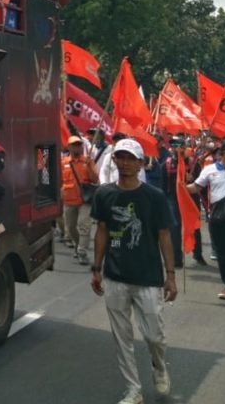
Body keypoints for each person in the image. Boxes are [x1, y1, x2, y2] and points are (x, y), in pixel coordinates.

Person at [90, 137, 175, 404]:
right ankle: (133, 390)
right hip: (115, 277)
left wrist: (170, 275)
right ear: (114, 160)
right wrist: (96, 267)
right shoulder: (104, 194)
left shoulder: (154, 197)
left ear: (141, 163)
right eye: (120, 157)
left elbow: (164, 235)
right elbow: (102, 230)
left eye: (130, 158)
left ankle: (159, 367)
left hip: (148, 277)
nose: (124, 162)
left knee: (154, 337)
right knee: (122, 338)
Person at [187, 137, 225, 300]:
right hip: (218, 219)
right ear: (224, 154)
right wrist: (182, 187)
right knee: (223, 255)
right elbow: (196, 187)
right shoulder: (209, 170)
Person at [63, 134, 99, 265]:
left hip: (85, 201)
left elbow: (95, 179)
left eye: (79, 145)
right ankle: (79, 247)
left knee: (84, 226)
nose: (77, 147)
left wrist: (89, 166)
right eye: (74, 145)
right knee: (71, 227)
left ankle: (82, 252)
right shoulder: (64, 163)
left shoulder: (87, 161)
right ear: (69, 147)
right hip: (69, 201)